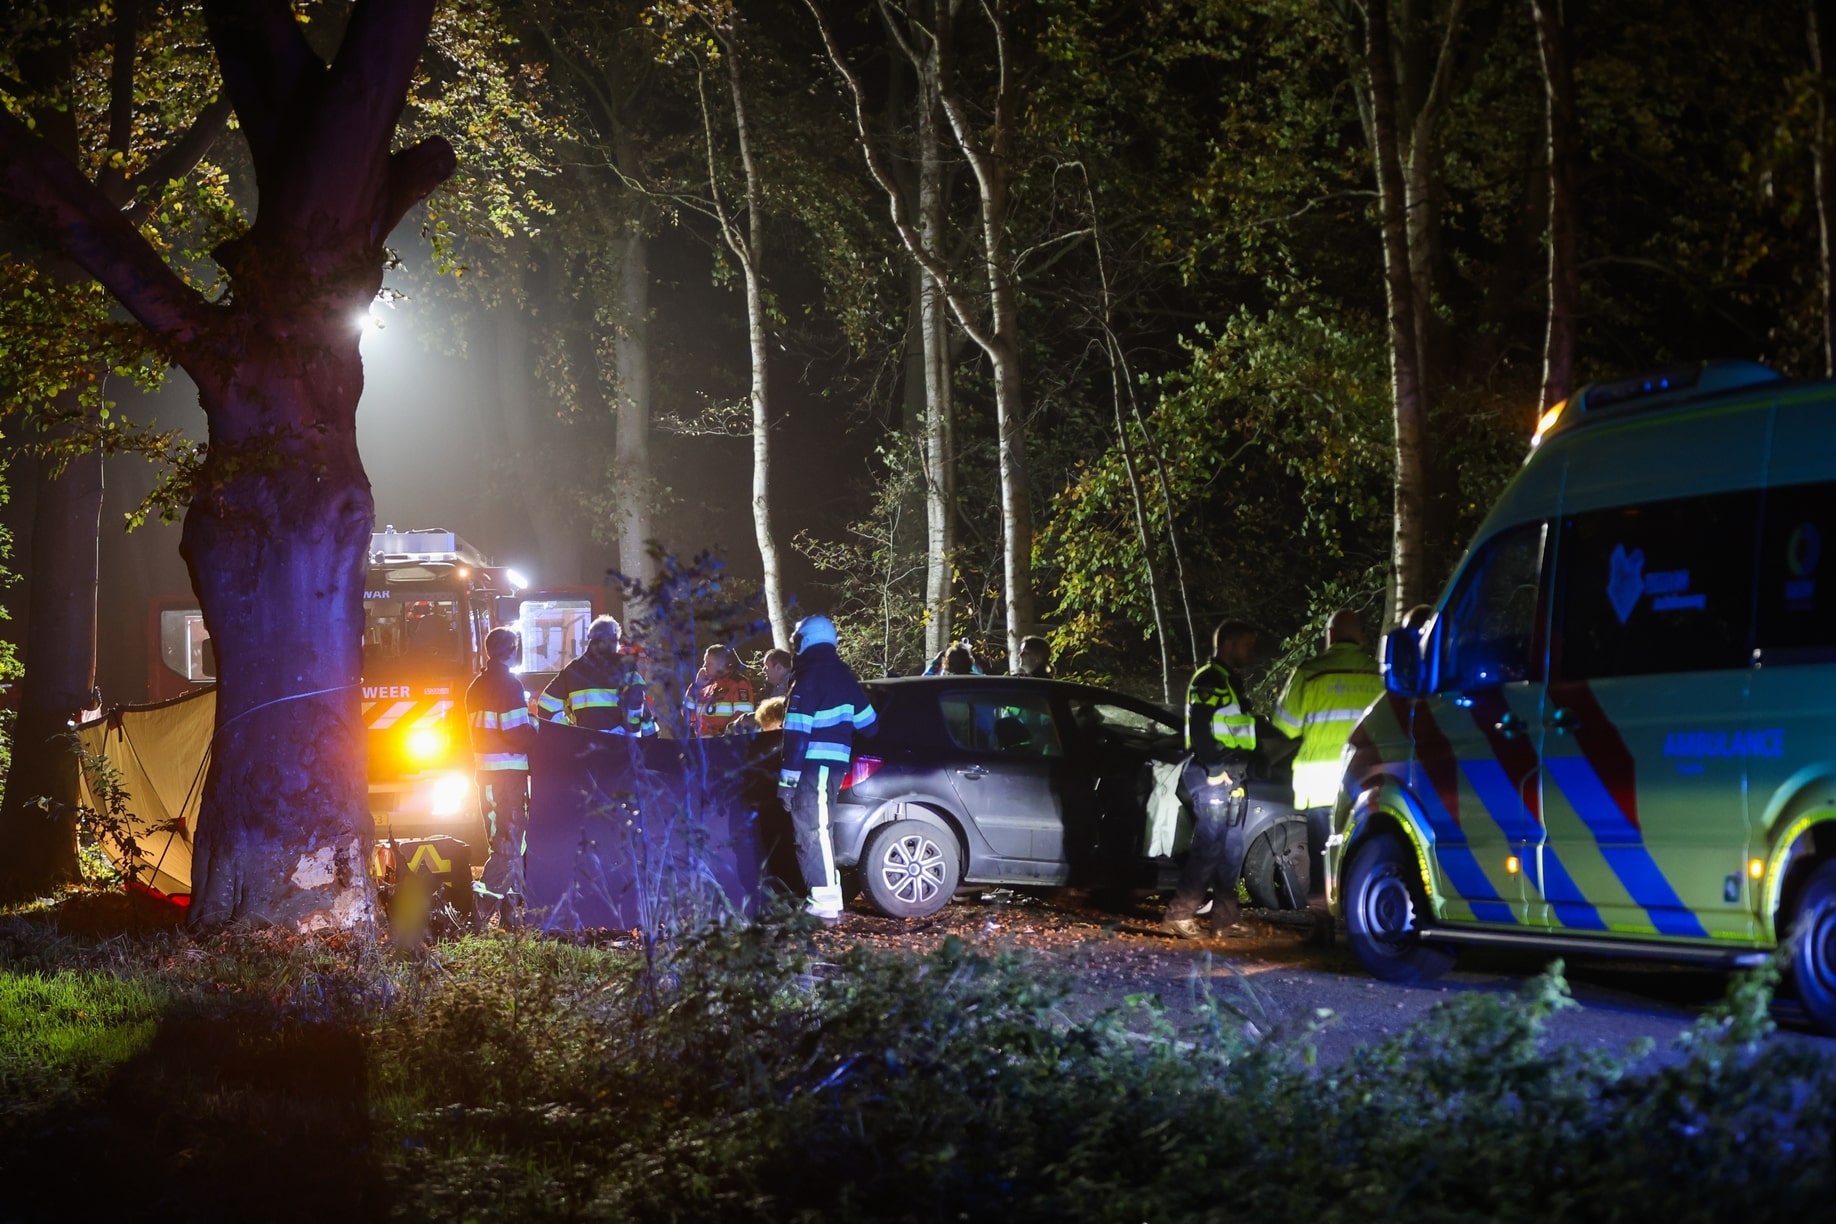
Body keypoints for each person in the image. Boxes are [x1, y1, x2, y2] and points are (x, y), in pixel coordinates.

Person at [1271, 609, 1386, 889]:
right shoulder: (1378, 673)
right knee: (1364, 854)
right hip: (1365, 784)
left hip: (1320, 786)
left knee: (1323, 858)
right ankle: (1359, 918)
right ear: (1360, 636)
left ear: (1329, 636)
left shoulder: (1309, 673)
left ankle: (1324, 925)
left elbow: (1285, 726)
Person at [778, 615, 878, 924]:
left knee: (811, 831)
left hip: (812, 768)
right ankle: (829, 896)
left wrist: (786, 783)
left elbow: (795, 736)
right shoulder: (845, 678)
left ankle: (822, 902)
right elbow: (870, 725)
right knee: (823, 830)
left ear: (805, 641)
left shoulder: (807, 680)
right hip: (835, 768)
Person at [1164, 620, 1260, 939]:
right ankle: (1179, 914)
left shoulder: (1230, 681)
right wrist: (1217, 769)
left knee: (1231, 848)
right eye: (1246, 644)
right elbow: (1202, 727)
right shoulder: (1210, 680)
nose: (1250, 651)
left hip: (1232, 774)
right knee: (1209, 845)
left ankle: (1226, 918)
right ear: (1229, 644)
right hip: (1212, 774)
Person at [466, 627, 538, 928]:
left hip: (489, 775)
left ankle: (511, 915)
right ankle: (479, 913)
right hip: (507, 775)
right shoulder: (508, 684)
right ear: (512, 650)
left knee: (512, 843)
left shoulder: (476, 685)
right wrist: (537, 730)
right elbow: (516, 732)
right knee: (508, 845)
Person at [535, 614, 658, 736]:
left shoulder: (573, 669)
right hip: (618, 748)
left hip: (586, 747)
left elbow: (546, 706)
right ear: (613, 639)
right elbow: (636, 702)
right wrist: (633, 736)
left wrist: (571, 733)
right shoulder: (625, 668)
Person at [685, 644, 755, 737]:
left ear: (722, 664)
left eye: (709, 663)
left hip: (724, 743)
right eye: (704, 662)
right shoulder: (705, 685)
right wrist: (696, 686)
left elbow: (743, 718)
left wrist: (722, 737)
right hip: (703, 743)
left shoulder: (738, 683)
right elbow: (687, 715)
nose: (704, 666)